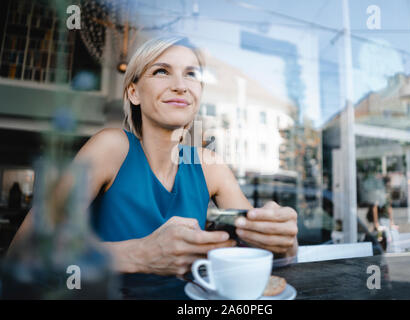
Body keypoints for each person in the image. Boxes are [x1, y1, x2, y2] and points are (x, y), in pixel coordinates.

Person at [11, 37, 298, 277]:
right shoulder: (112, 147)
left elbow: (258, 256)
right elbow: (23, 253)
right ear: (133, 92)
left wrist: (282, 244)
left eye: (191, 74)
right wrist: (137, 255)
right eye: (161, 71)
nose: (180, 85)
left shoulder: (210, 165)